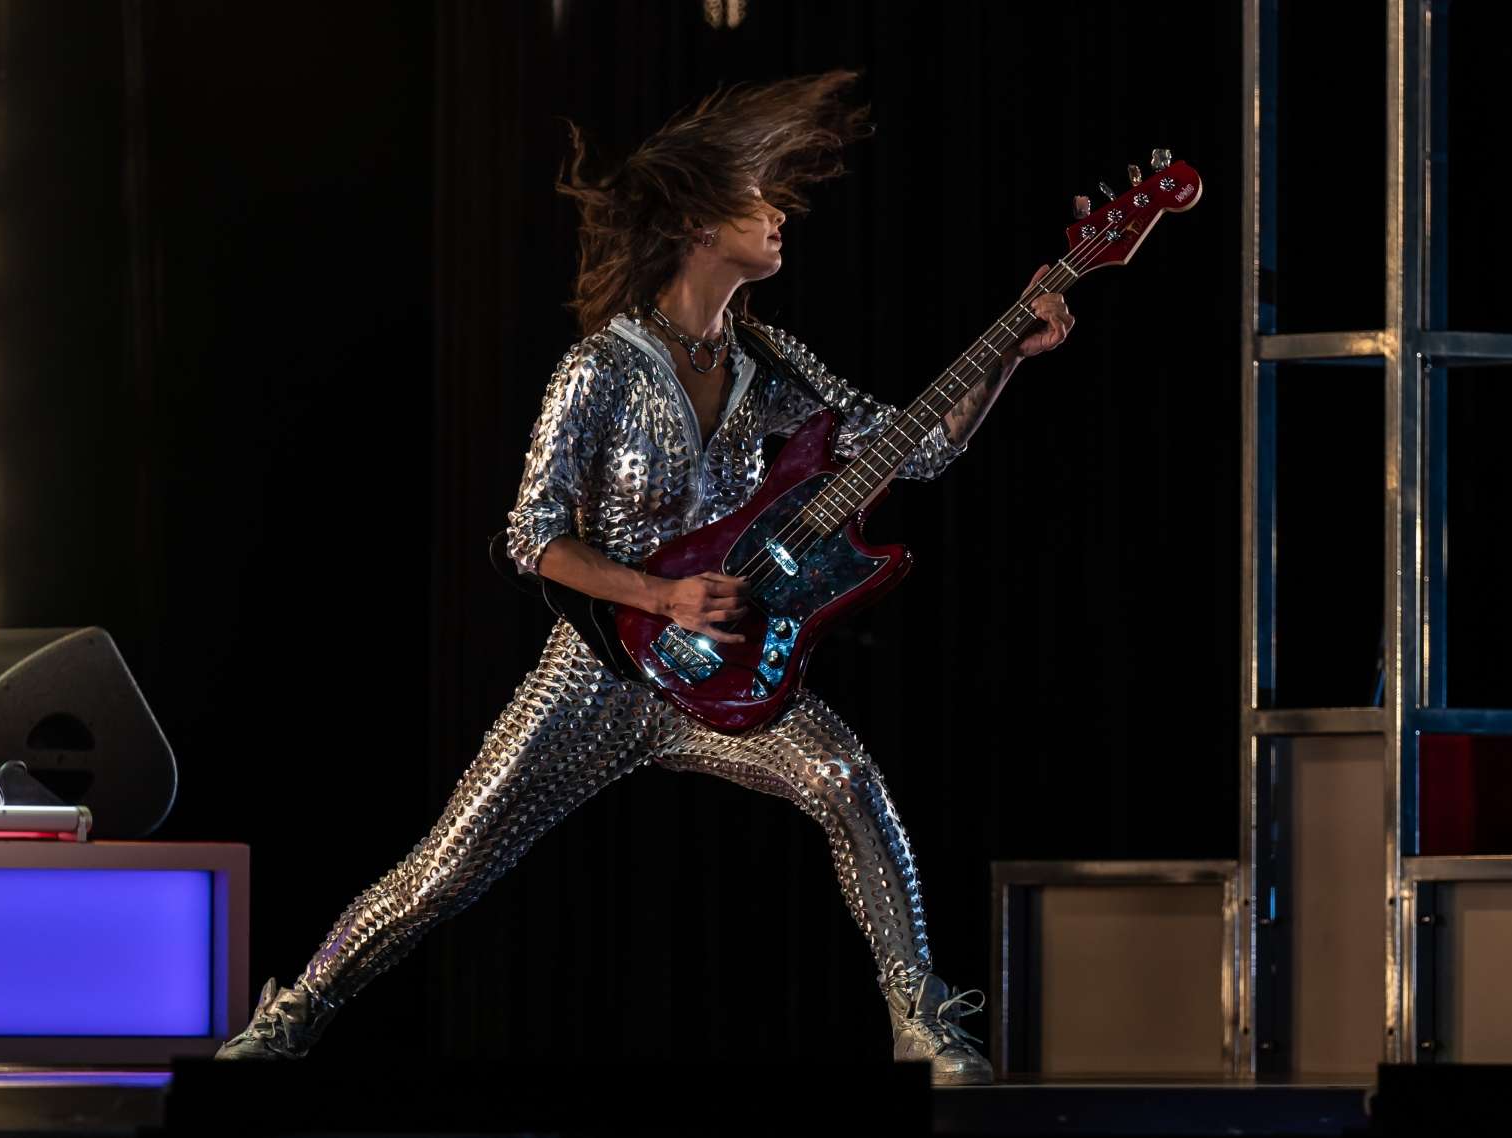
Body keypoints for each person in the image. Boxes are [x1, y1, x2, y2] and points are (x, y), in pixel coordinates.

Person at [214, 71, 1072, 1085]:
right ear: (700, 224)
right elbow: (530, 537)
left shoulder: (771, 360)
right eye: (757, 199)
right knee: (445, 872)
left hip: (727, 679)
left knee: (848, 781)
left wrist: (1008, 351)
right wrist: (659, 596)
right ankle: (289, 1018)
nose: (778, 215)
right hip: (598, 676)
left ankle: (927, 1026)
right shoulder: (600, 369)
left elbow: (910, 449)